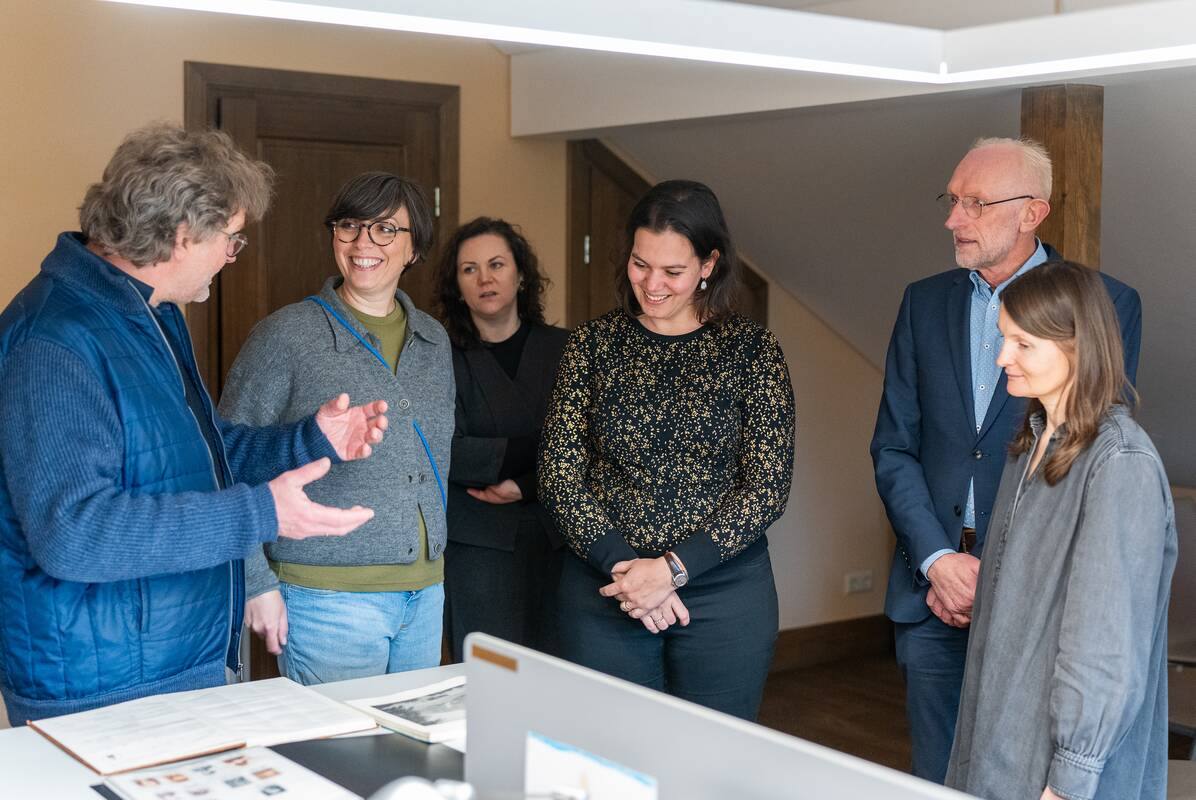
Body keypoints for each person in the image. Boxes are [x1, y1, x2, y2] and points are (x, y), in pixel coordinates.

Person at [0, 124, 388, 723]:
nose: (233, 256)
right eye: (232, 239)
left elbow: (201, 455)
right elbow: (74, 532)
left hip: (172, 662)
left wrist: (309, 440)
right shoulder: (54, 340)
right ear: (184, 233)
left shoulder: (151, 314)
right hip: (102, 686)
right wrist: (259, 513)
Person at [870, 136, 1143, 782]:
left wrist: (995, 576)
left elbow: (1085, 457)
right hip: (932, 592)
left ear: (1031, 213)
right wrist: (939, 561)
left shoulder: (1105, 304)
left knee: (1021, 779)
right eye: (952, 200)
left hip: (1037, 603)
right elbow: (894, 446)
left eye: (975, 203)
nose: (953, 219)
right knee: (937, 778)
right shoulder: (923, 302)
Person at [539, 180, 795, 721]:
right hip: (606, 587)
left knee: (712, 755)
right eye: (640, 264)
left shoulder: (753, 351)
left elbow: (766, 487)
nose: (651, 285)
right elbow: (559, 477)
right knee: (612, 751)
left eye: (672, 271)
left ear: (709, 265)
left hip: (725, 594)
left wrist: (672, 570)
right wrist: (630, 572)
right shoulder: (591, 345)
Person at [945, 259, 1175, 800]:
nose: (1002, 357)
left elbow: (1105, 646)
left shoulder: (1120, 464)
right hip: (998, 741)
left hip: (1060, 777)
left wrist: (1069, 778)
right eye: (1004, 338)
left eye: (1022, 344)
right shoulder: (1029, 442)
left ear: (1076, 347)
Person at [219, 171, 453, 686]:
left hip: (425, 592)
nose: (363, 242)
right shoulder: (286, 335)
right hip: (325, 594)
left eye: (385, 229)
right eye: (350, 226)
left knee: (411, 734)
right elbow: (223, 461)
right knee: (343, 738)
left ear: (414, 248)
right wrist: (255, 580)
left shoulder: (434, 340)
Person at [435, 217, 571, 661]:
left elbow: (593, 444)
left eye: (496, 264)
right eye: (469, 269)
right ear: (457, 287)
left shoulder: (568, 349)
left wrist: (527, 484)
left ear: (521, 275)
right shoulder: (439, 358)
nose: (485, 278)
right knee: (488, 679)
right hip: (478, 550)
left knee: (560, 680)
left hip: (561, 540)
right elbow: (445, 450)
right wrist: (543, 445)